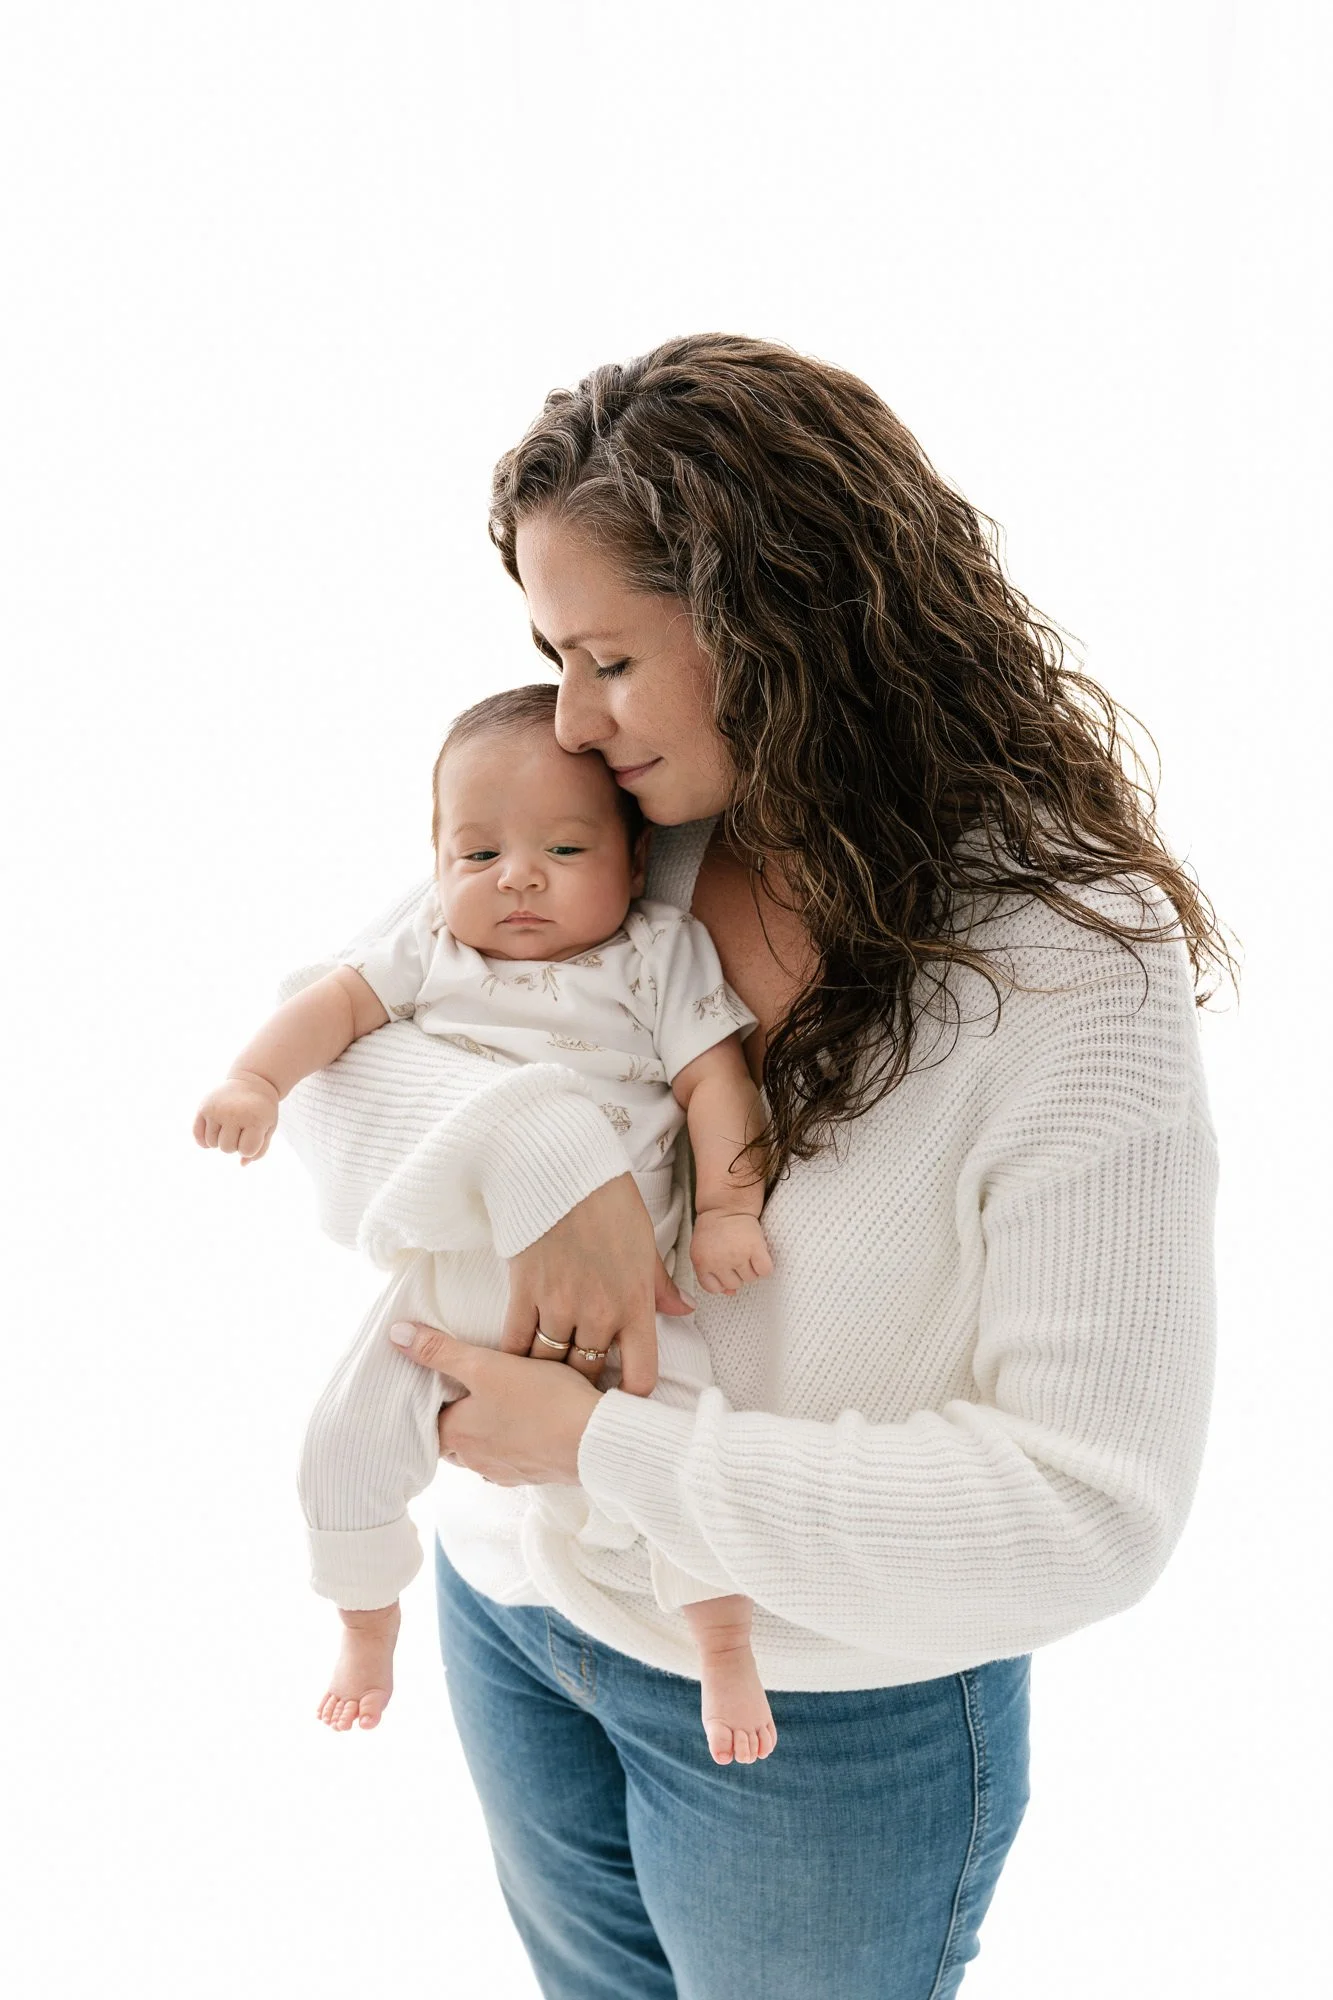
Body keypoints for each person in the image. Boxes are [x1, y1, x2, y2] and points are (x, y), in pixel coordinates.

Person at [275, 333, 1224, 2000]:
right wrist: (539, 1152)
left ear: (779, 625)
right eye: (548, 659)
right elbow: (327, 1063)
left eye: (608, 660)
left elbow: (1089, 1511)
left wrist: (604, 1443)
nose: (569, 719)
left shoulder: (1068, 958)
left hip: (811, 1712)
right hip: (516, 1615)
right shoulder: (628, 829)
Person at [193, 684, 780, 1762]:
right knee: (342, 1438)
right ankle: (366, 1626)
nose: (516, 876)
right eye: (476, 855)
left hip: (628, 1292)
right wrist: (255, 1080)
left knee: (693, 1452)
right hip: (442, 1290)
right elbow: (328, 1008)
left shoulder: (657, 953)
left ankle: (724, 1640)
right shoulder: (430, 944)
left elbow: (714, 1083)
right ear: (435, 861)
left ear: (635, 858)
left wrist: (727, 1207)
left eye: (563, 846)